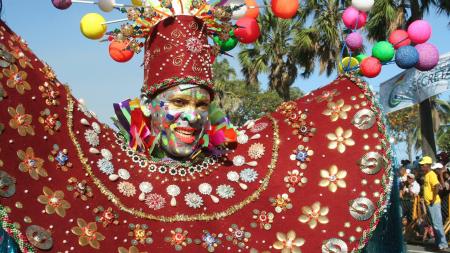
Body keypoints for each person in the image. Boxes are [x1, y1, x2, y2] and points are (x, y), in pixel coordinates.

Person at [0, 1, 396, 252]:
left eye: (201, 104)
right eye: (177, 102)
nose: (191, 116)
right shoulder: (105, 166)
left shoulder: (236, 164)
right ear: (149, 106)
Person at [421, 156, 449, 250]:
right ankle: (438, 245)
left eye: (423, 165)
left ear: (427, 165)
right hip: (430, 204)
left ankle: (443, 245)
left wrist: (433, 199)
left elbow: (437, 185)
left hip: (434, 203)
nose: (421, 166)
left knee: (437, 224)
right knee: (434, 224)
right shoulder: (427, 174)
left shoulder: (431, 174)